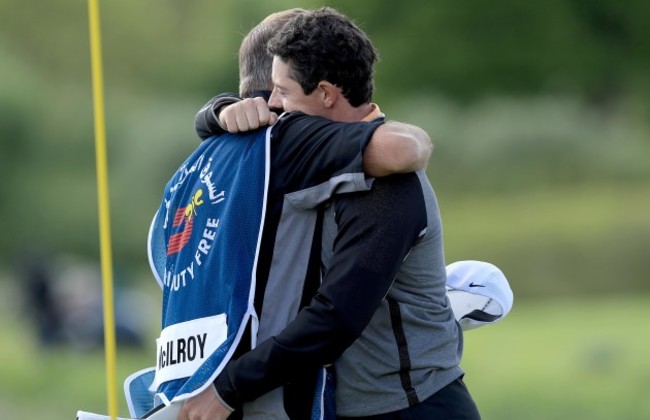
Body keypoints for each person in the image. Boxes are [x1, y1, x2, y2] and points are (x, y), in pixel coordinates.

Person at [181, 7, 482, 420]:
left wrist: (227, 390)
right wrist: (218, 111)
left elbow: (336, 316)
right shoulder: (318, 160)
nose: (272, 104)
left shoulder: (389, 185)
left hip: (415, 407)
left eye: (283, 93)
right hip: (348, 410)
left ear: (325, 94)